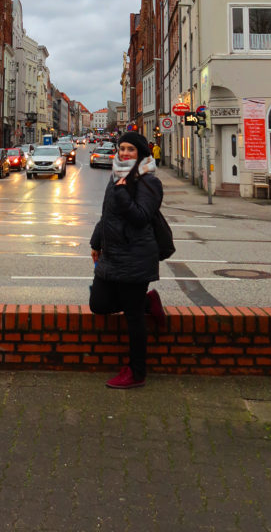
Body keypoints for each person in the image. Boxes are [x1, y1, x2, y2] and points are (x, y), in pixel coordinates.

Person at [89, 130, 167, 389]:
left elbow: (141, 216)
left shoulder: (149, 182)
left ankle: (137, 372)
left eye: (130, 149)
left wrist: (123, 194)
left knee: (133, 318)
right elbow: (106, 213)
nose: (124, 153)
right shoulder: (117, 176)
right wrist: (96, 241)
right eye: (122, 148)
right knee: (99, 303)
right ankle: (147, 300)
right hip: (112, 254)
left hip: (135, 257)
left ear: (141, 153)